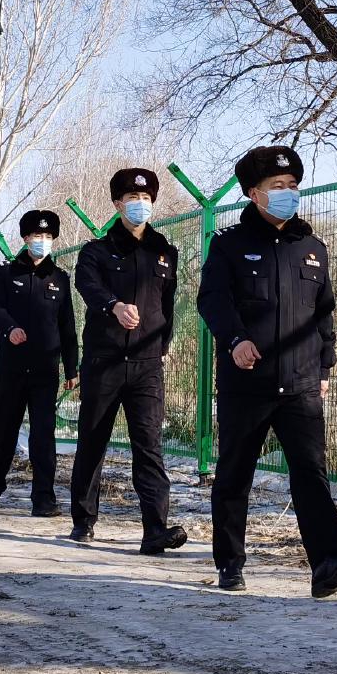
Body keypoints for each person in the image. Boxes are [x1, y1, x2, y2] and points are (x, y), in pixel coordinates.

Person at [198, 144, 337, 597]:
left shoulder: (312, 249)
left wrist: (325, 367)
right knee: (235, 474)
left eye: (293, 185)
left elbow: (324, 314)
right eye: (277, 186)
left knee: (311, 473)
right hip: (246, 381)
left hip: (301, 384)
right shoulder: (229, 245)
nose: (288, 192)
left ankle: (327, 563)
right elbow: (212, 301)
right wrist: (235, 340)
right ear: (254, 193)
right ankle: (230, 562)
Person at [68, 167, 189, 554]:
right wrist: (114, 306)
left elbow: (167, 305)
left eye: (146, 199)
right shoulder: (96, 252)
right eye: (133, 198)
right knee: (93, 440)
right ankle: (83, 519)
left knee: (149, 445)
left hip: (147, 366)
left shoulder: (165, 252)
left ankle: (155, 530)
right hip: (103, 362)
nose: (140, 204)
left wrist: (164, 344)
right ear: (118, 204)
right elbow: (87, 285)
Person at [0, 209, 78, 516]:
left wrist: (72, 368)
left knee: (43, 435)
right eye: (37, 235)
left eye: (48, 236)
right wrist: (9, 328)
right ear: (25, 238)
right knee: (5, 430)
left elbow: (67, 326)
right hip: (12, 368)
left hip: (45, 370)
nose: (42, 241)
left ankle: (44, 499)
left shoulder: (59, 279)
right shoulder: (6, 274)